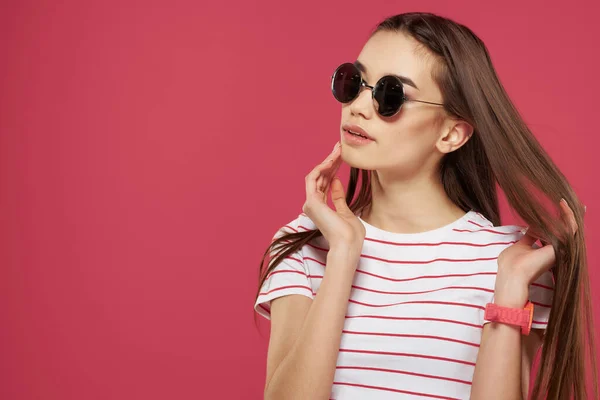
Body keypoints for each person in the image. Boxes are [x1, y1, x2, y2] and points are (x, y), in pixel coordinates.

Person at [254, 12, 597, 400]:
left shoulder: (513, 263)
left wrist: (510, 287)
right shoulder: (304, 247)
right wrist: (344, 255)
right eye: (354, 83)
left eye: (389, 95)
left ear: (452, 133)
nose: (359, 107)